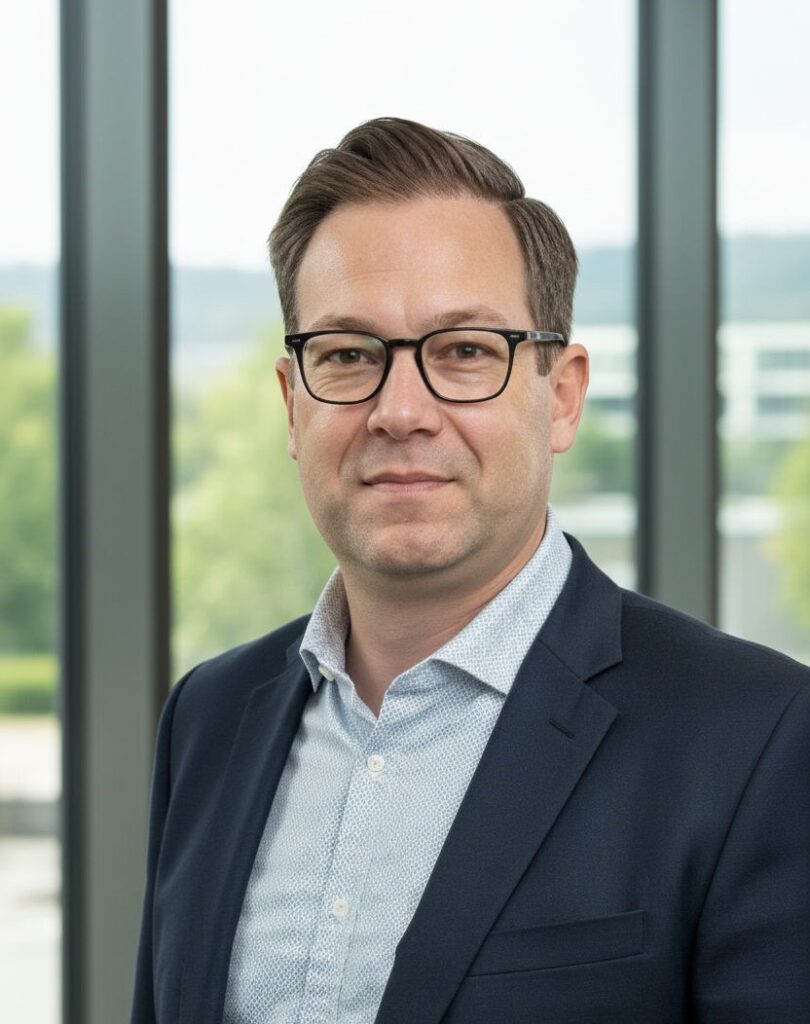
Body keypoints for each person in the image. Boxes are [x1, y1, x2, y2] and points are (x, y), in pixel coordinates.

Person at [131, 117, 810, 1024]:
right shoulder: (208, 719)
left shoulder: (759, 739)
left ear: (561, 395)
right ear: (294, 405)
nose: (399, 409)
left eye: (462, 353)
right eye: (346, 355)